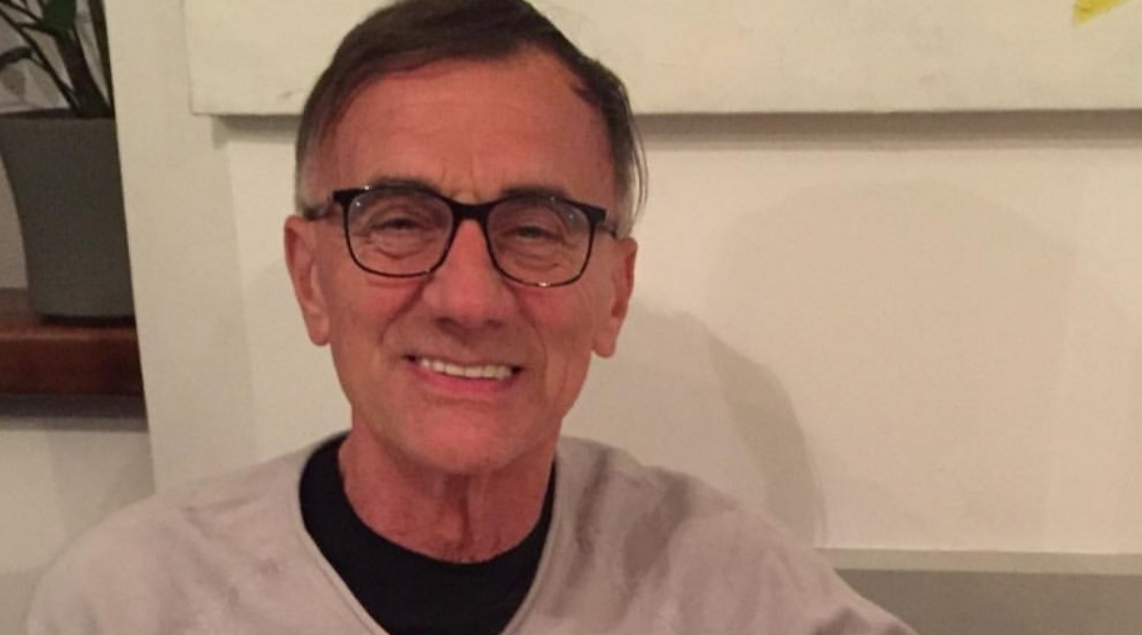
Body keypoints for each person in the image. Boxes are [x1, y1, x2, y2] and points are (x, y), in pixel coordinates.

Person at [27, 0, 916, 633]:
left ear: (613, 293)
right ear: (311, 278)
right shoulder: (130, 604)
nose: (468, 300)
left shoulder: (735, 591)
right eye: (399, 221)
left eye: (534, 229)